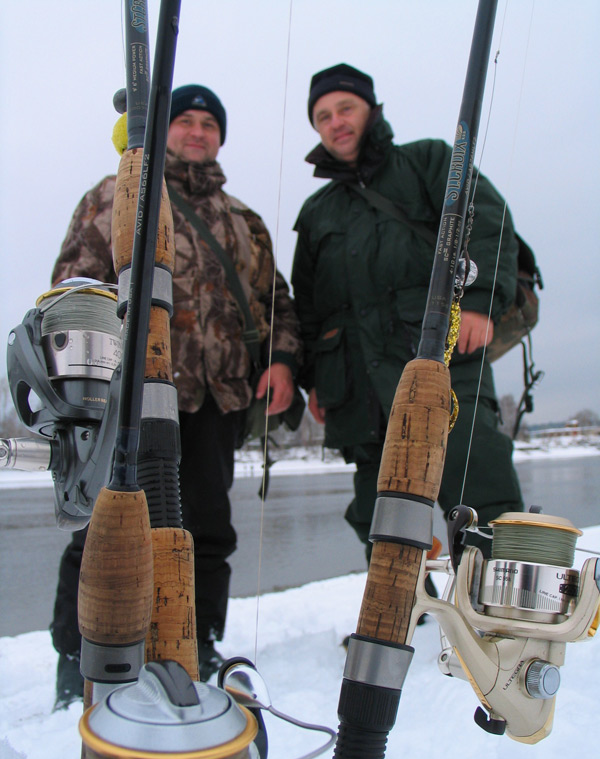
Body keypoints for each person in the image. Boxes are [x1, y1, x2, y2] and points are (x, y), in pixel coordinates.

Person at [50, 84, 303, 706]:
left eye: (207, 123)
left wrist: (285, 363)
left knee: (209, 529)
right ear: (162, 131)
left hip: (221, 397)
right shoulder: (112, 196)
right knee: (105, 530)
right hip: (129, 398)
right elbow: (73, 288)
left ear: (220, 136)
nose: (196, 131)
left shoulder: (244, 222)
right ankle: (76, 656)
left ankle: (202, 640)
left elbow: (277, 303)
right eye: (184, 120)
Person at [291, 64, 523, 566]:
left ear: (370, 109)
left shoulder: (430, 161)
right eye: (323, 115)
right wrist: (315, 383)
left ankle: (493, 625)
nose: (336, 122)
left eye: (346, 108)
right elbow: (308, 307)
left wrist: (480, 301)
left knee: (478, 490)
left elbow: (487, 223)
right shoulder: (317, 213)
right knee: (379, 517)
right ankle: (401, 624)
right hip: (360, 393)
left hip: (446, 364)